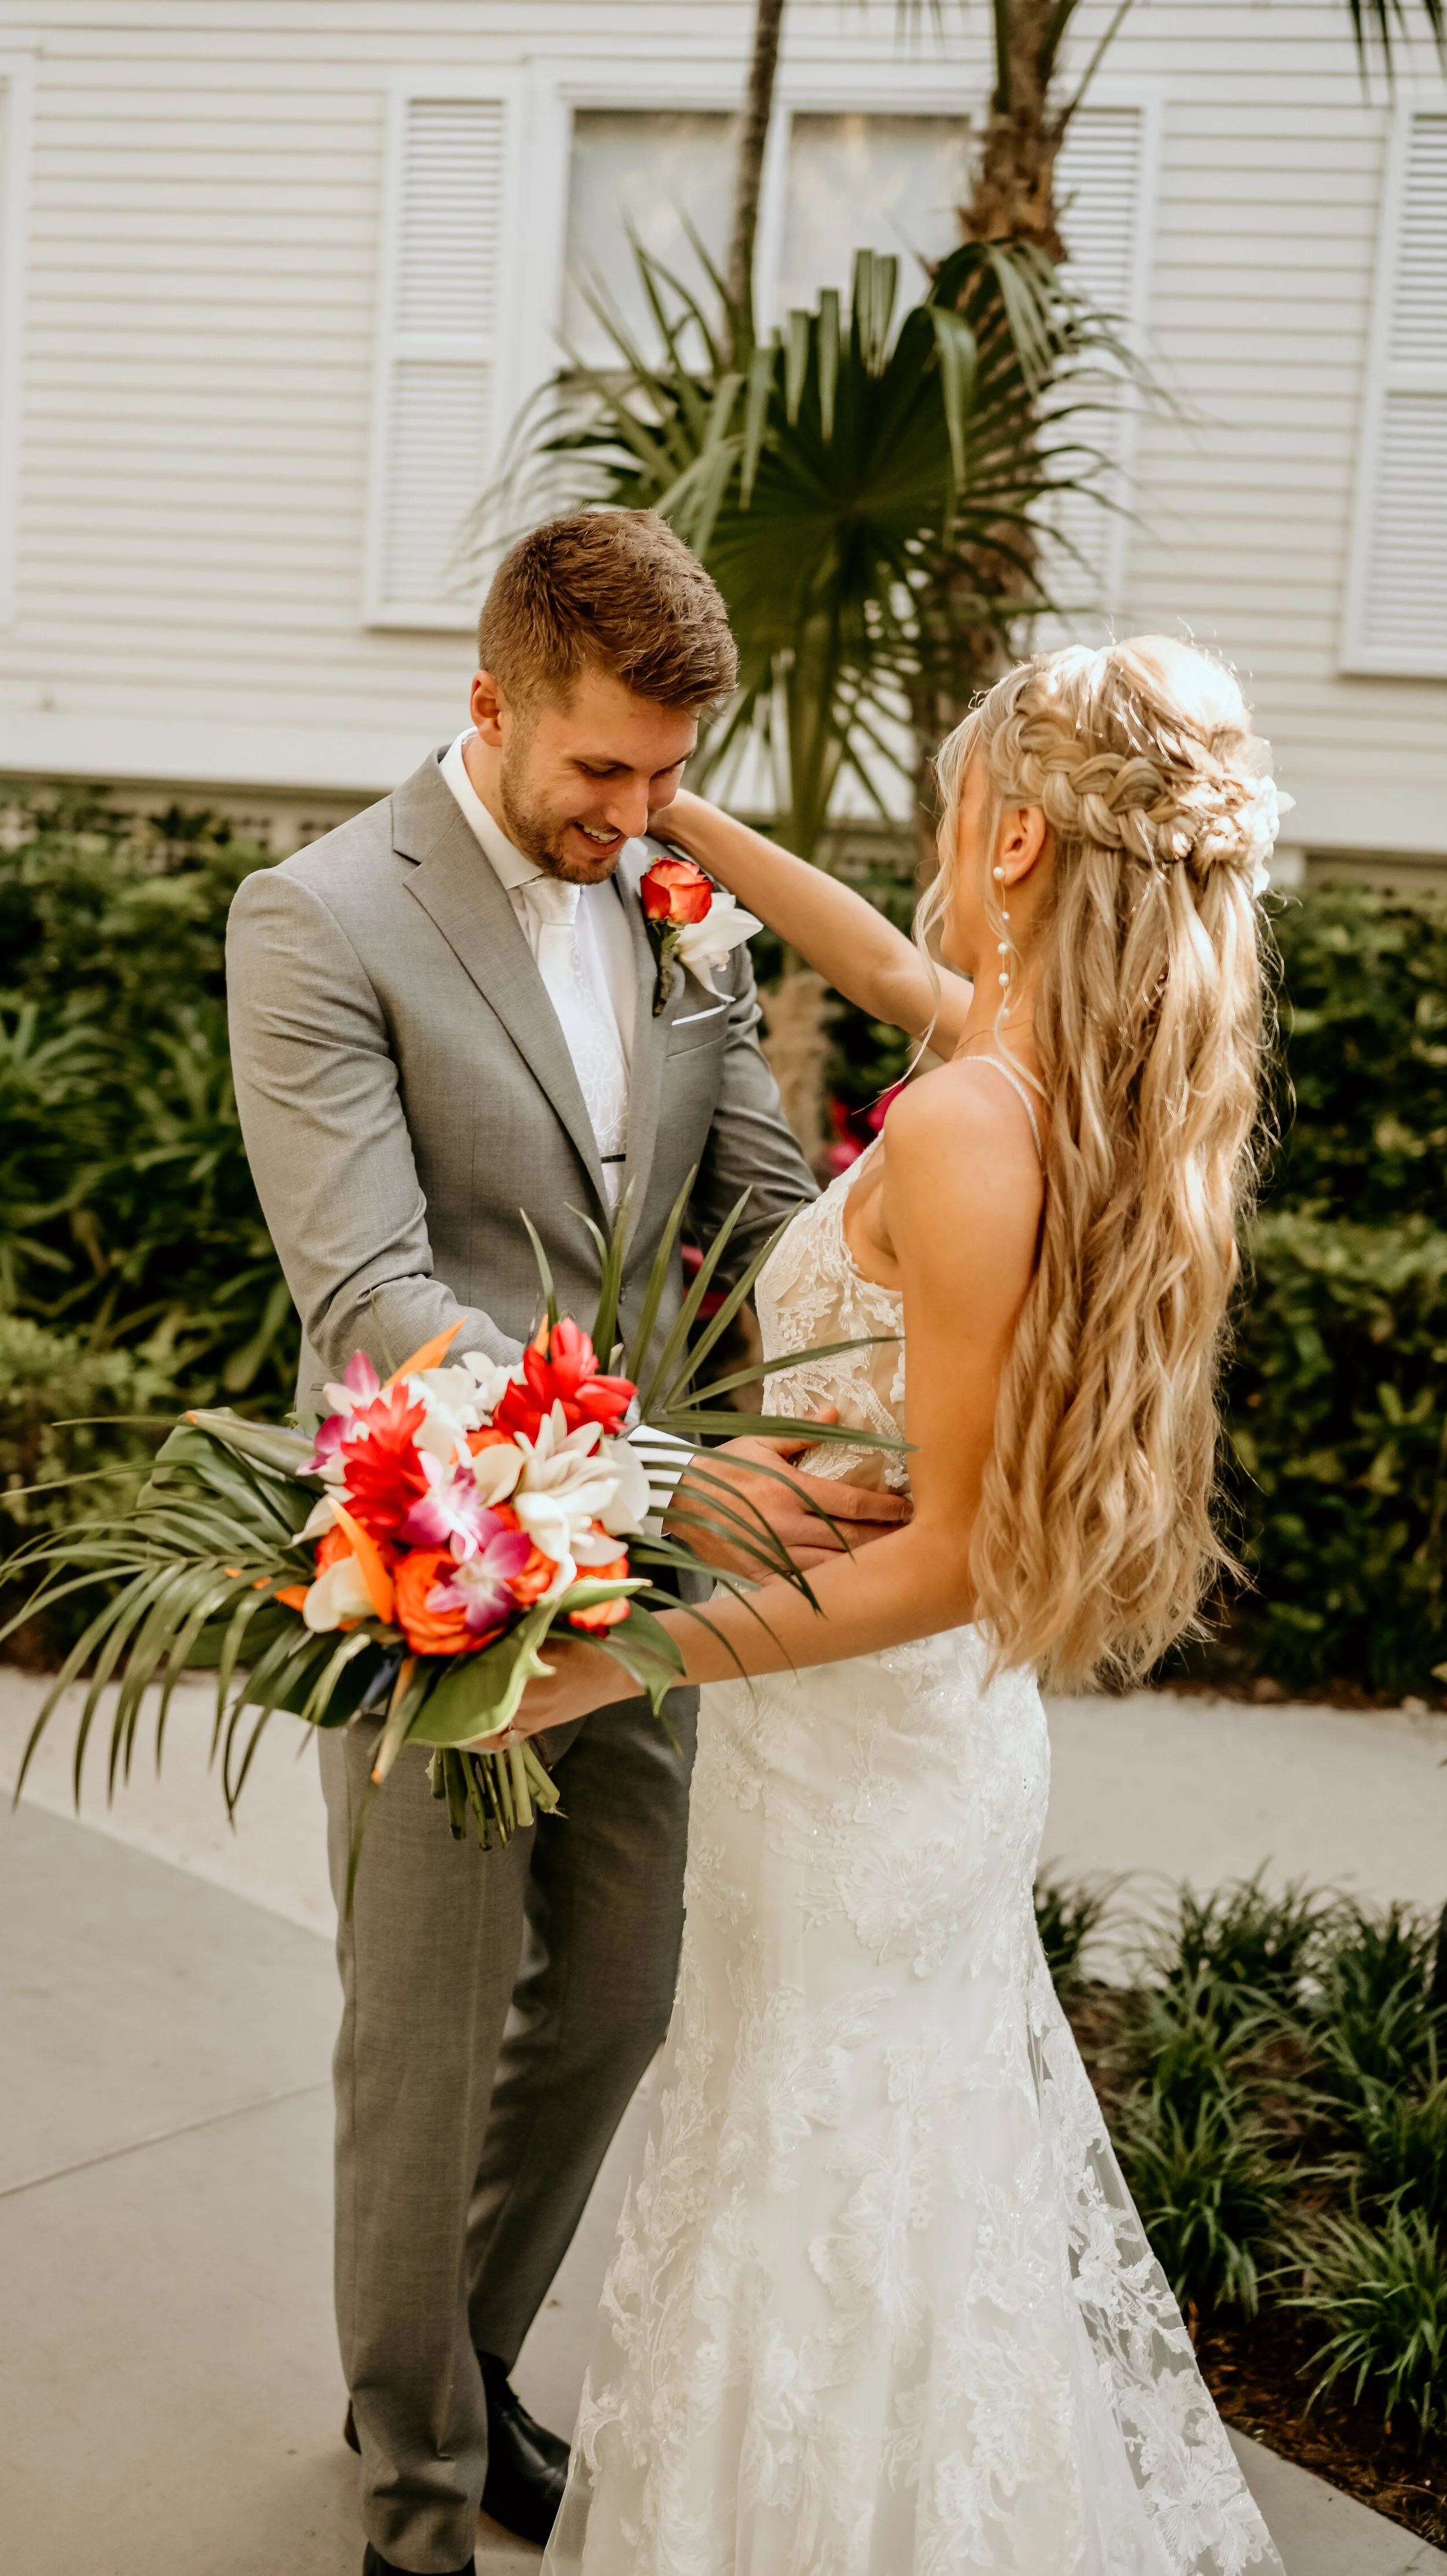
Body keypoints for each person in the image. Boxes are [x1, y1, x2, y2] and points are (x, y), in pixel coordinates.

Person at [513, 637, 1288, 2574]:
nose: (939, 841)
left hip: (857, 1755)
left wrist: (620, 1656)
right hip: (919, 1757)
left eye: (958, 804)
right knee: (902, 2201)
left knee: (809, 2202)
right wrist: (682, 824)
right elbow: (876, 961)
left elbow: (958, 1556)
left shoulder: (965, 1128)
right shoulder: (1055, 1079)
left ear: (1010, 836)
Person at [225, 509, 909, 2576]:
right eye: (599, 770)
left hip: (658, 1568)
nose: (635, 814)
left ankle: (465, 2366)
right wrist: (666, 1467)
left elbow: (763, 1197)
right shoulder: (317, 917)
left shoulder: (676, 885)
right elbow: (371, 1292)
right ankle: (415, 2490)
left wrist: (901, 1332)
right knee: (420, 2048)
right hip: (429, 1550)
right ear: (491, 702)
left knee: (613, 1990)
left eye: (668, 771)